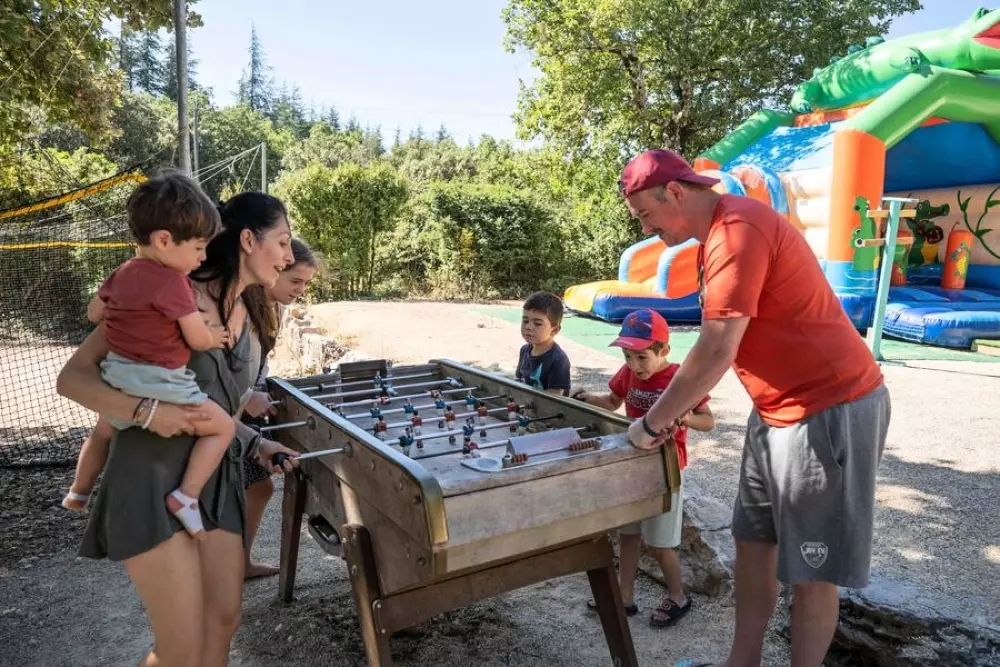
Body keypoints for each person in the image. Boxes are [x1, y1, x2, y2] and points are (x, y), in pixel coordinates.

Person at [618, 150, 890, 667]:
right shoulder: (711, 239)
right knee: (753, 547)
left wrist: (652, 424)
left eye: (645, 216)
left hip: (829, 406)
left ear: (674, 192)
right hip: (774, 413)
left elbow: (717, 346)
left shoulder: (739, 228)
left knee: (811, 571)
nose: (648, 229)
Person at [56, 188, 302, 667]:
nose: (290, 256)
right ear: (248, 241)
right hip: (151, 477)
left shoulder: (252, 314)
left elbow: (217, 411)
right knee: (181, 649)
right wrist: (146, 410)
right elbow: (73, 378)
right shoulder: (170, 290)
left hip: (216, 482)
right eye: (284, 241)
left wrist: (255, 443)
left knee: (222, 621)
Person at [60, 173, 237, 541]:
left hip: (118, 376)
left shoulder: (122, 273)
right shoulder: (174, 282)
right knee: (223, 428)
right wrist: (215, 334)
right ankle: (186, 497)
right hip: (161, 381)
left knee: (103, 430)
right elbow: (196, 339)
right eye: (199, 247)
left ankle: (78, 490)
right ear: (164, 240)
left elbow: (96, 313)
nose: (203, 256)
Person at [574, 309, 713, 627]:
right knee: (628, 534)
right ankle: (624, 597)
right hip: (632, 467)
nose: (634, 365)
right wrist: (585, 398)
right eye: (627, 356)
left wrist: (686, 417)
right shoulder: (628, 373)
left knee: (660, 543)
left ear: (663, 350)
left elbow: (708, 421)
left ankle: (679, 596)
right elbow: (612, 401)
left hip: (666, 471)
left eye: (642, 357)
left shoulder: (681, 377)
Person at [238, 237, 320, 579]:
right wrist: (245, 397)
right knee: (237, 490)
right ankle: (223, 567)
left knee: (259, 487)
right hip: (225, 411)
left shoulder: (275, 308)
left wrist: (259, 390)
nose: (300, 289)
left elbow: (258, 364)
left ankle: (238, 563)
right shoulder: (238, 307)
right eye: (295, 280)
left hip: (247, 406)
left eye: (306, 283)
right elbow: (216, 372)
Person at [515, 291, 571, 396]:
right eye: (525, 321)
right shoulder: (524, 350)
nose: (528, 327)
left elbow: (554, 400)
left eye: (537, 324)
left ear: (554, 330)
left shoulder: (558, 360)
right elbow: (519, 382)